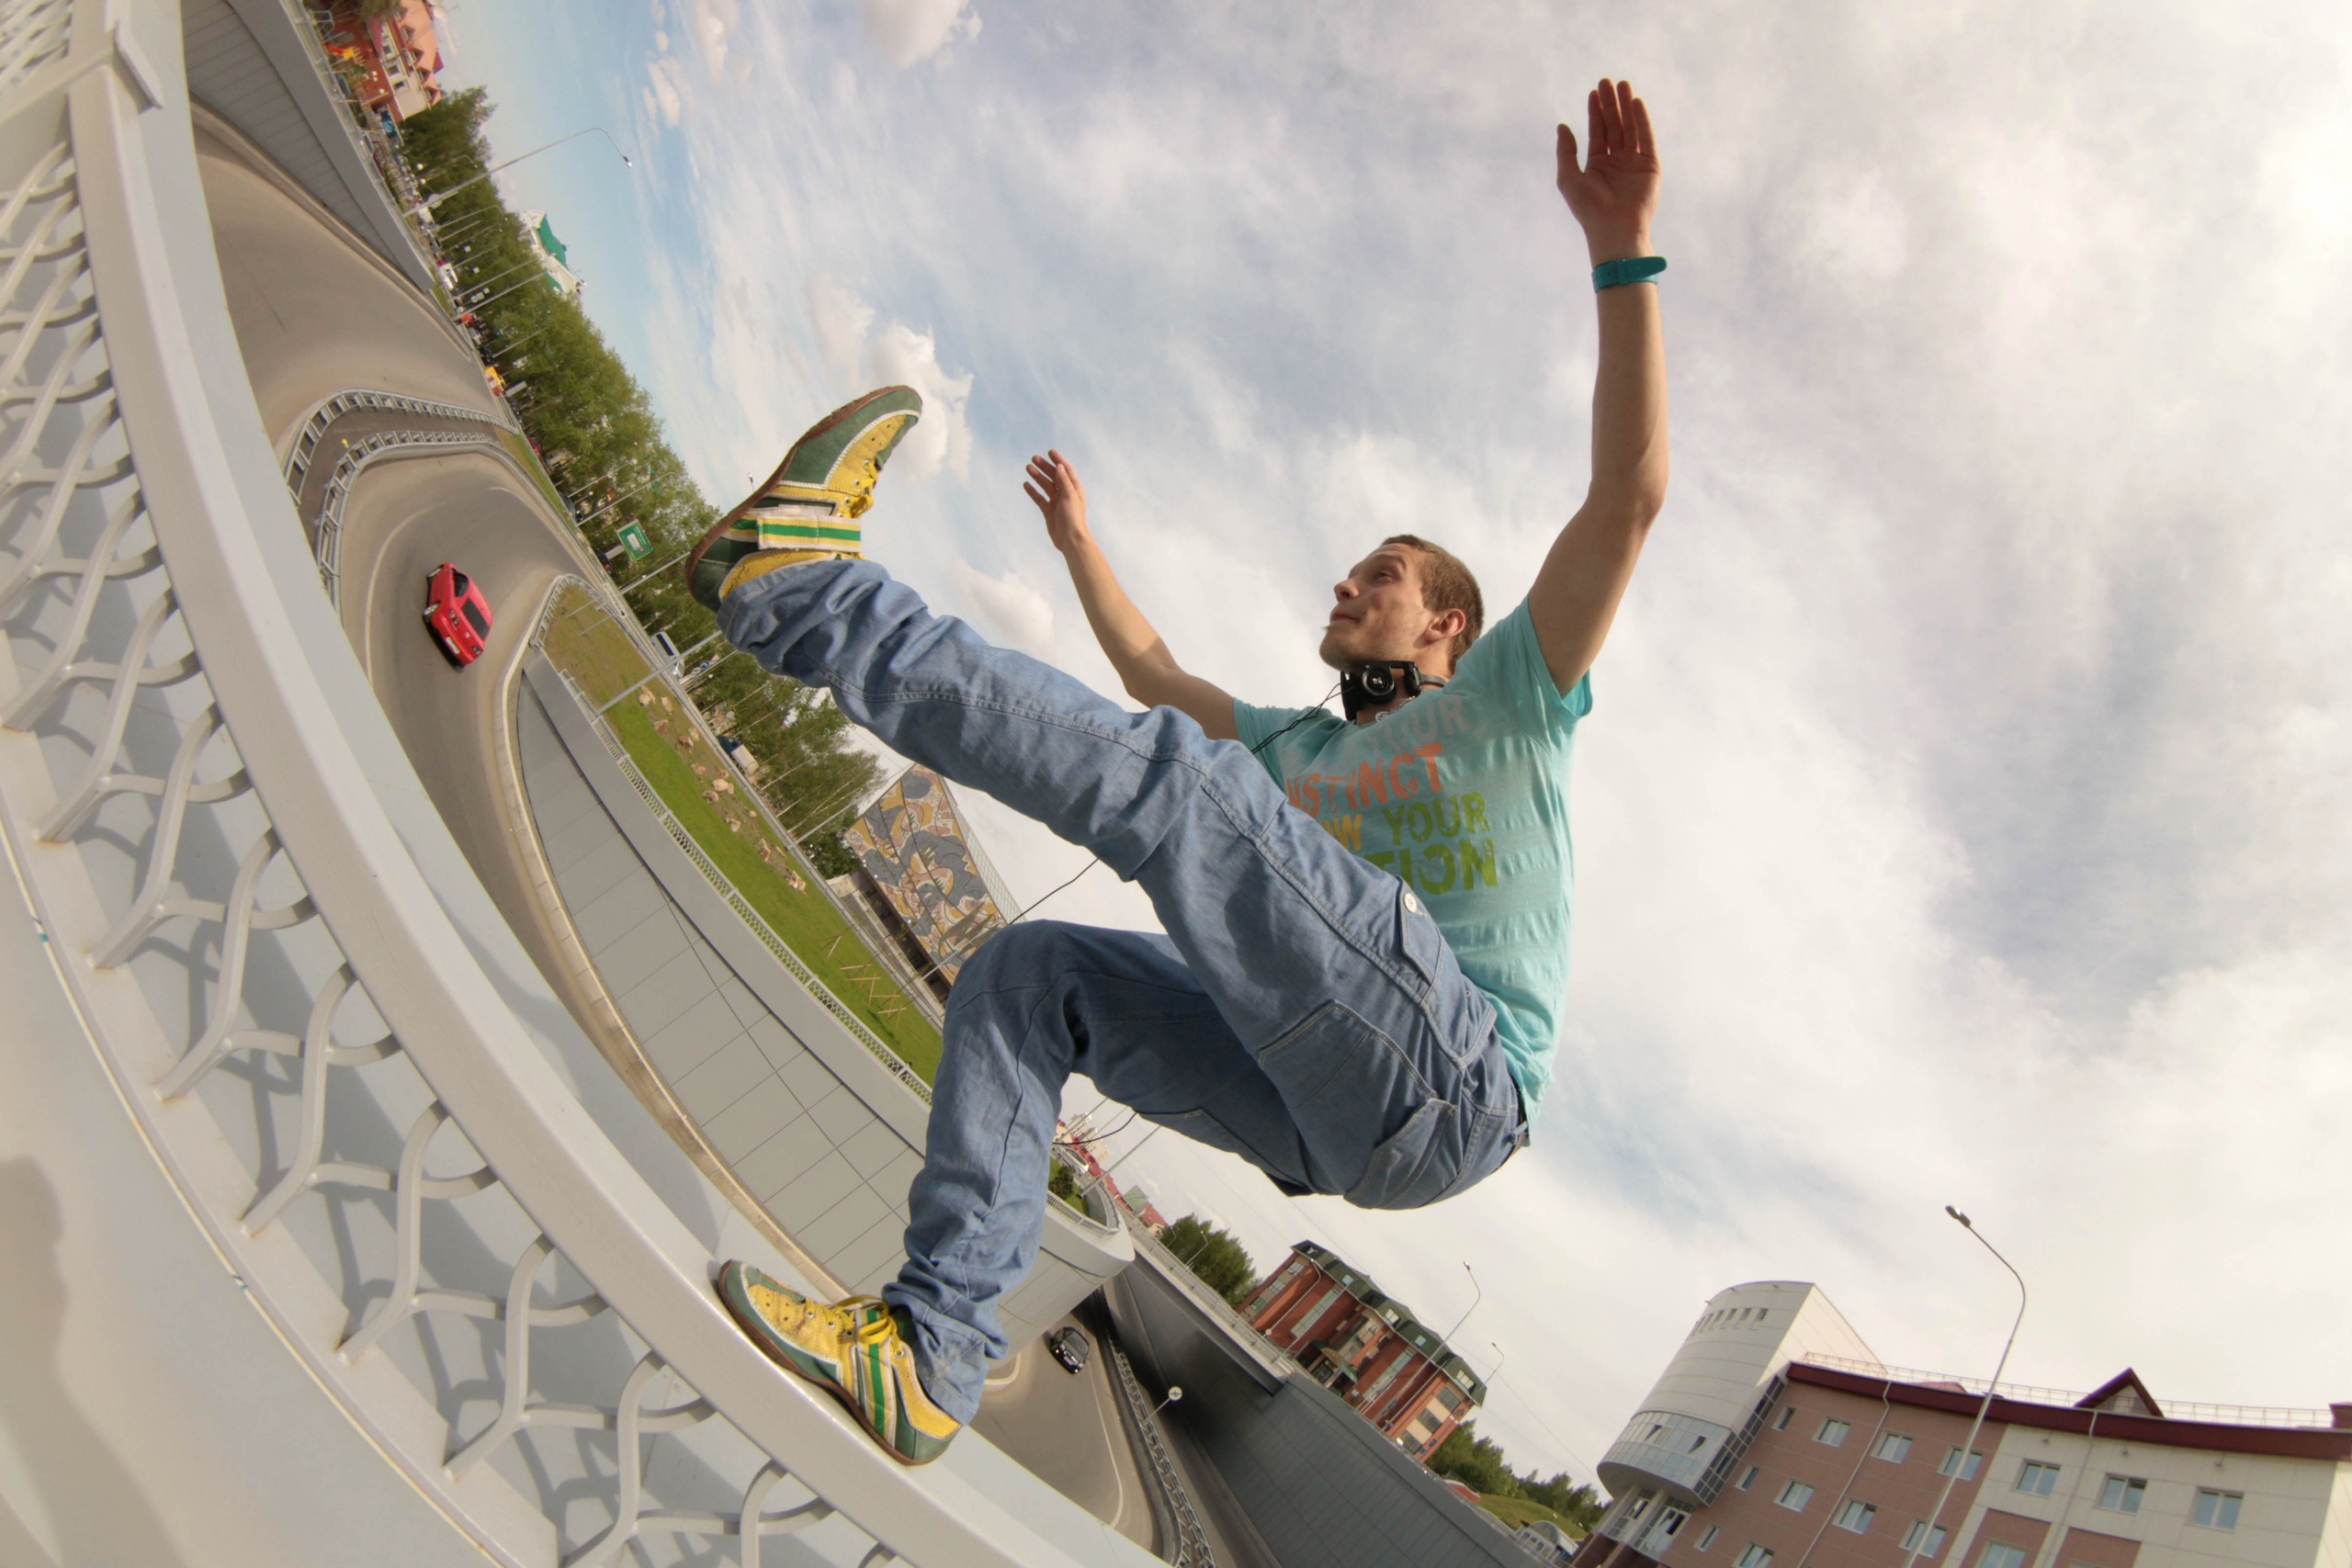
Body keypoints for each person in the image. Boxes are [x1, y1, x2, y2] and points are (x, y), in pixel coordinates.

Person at [692, 78, 1668, 1464]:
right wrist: (1079, 543)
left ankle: (799, 594)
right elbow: (1152, 675)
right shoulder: (1297, 746)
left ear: (1446, 623)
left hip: (1461, 1083)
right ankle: (928, 1353)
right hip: (1325, 1109)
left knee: (1197, 792)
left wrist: (1622, 251)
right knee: (1031, 977)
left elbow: (1628, 498)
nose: (1347, 585)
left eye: (1380, 577)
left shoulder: (1516, 691)